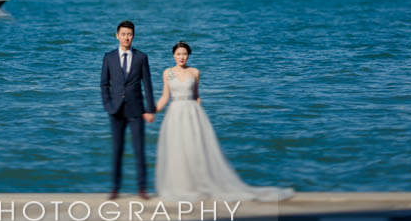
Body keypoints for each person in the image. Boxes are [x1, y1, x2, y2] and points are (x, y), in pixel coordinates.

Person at [154, 41, 295, 201]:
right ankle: (181, 186)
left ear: (188, 55)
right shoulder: (167, 73)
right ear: (173, 55)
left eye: (184, 54)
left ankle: (198, 184)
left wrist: (199, 117)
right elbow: (165, 97)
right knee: (177, 150)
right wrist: (151, 111)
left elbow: (197, 96)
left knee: (195, 149)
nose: (181, 57)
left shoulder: (195, 72)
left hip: (193, 113)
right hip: (175, 114)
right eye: (179, 54)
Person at [100, 20, 156, 200]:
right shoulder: (109, 57)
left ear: (134, 36)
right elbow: (104, 84)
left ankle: (142, 189)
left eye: (129, 34)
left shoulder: (141, 57)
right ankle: (115, 188)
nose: (126, 37)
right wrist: (108, 105)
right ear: (117, 35)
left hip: (136, 110)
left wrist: (150, 109)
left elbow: (147, 84)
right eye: (123, 34)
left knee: (139, 150)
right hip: (115, 111)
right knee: (117, 150)